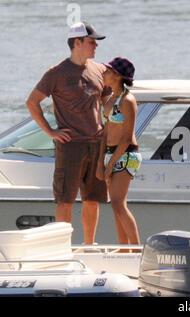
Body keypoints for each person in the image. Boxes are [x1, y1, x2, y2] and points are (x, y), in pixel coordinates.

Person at [25, 22, 109, 244]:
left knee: (92, 199)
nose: (95, 46)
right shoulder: (56, 73)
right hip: (70, 145)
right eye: (92, 42)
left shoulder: (99, 69)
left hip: (96, 143)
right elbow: (32, 102)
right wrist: (50, 131)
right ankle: (63, 247)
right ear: (77, 43)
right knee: (65, 200)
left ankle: (89, 245)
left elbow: (108, 100)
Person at [96, 57, 141, 246]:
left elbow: (126, 137)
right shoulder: (110, 99)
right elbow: (106, 131)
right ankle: (124, 250)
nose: (104, 73)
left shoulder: (127, 100)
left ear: (116, 75)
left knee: (118, 203)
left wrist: (111, 164)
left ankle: (137, 250)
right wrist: (101, 162)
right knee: (116, 206)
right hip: (111, 153)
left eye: (107, 70)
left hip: (126, 154)